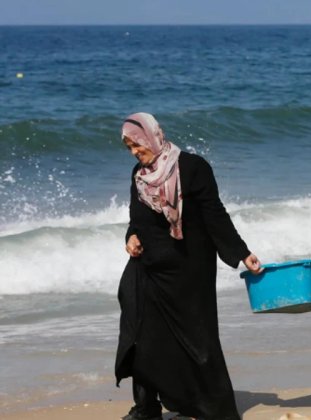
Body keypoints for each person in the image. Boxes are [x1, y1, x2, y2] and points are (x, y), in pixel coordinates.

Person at [115, 113, 263, 420]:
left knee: (197, 340)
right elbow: (135, 218)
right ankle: (147, 407)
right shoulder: (138, 175)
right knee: (139, 332)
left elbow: (214, 214)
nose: (134, 153)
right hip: (148, 266)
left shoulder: (193, 168)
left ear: (152, 137)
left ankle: (211, 407)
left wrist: (241, 253)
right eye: (128, 147)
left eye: (136, 145)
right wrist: (131, 237)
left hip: (189, 268)